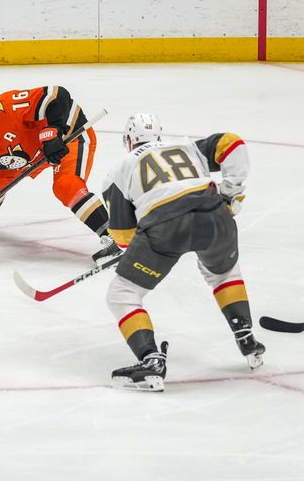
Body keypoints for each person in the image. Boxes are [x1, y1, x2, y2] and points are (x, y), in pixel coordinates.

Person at [102, 113, 265, 392]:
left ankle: (151, 360)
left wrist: (132, 250)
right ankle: (245, 335)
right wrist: (230, 191)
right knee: (224, 274)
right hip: (214, 213)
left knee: (123, 294)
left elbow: (122, 236)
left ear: (128, 141)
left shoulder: (120, 170)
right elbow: (232, 143)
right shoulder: (188, 148)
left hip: (164, 227)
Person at [0, 86, 120, 264]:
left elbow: (56, 95)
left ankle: (116, 236)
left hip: (68, 137)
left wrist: (53, 132)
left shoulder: (5, 107)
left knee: (66, 185)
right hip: (34, 154)